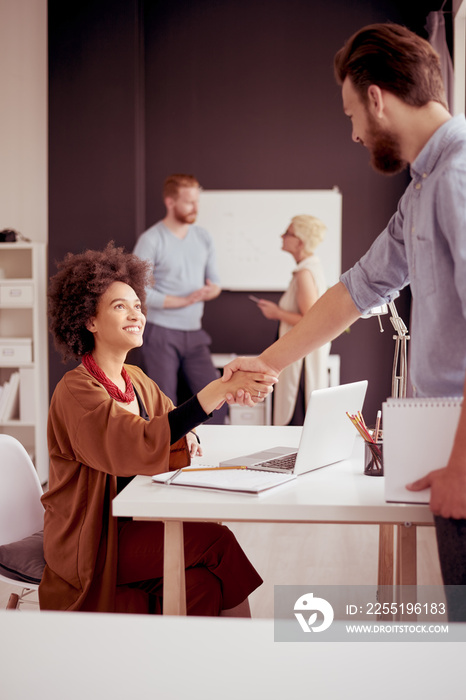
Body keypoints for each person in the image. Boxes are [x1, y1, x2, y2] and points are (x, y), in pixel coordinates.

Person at [222, 23, 466, 617]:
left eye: (351, 113)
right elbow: (354, 291)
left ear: (378, 98)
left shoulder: (458, 176)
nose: (354, 133)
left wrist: (461, 464)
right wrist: (267, 362)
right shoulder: (423, 189)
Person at [39, 242, 273, 615]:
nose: (136, 314)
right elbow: (137, 440)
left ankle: (198, 664)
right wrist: (218, 389)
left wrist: (191, 432)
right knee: (216, 540)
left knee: (202, 584)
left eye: (137, 305)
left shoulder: (135, 378)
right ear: (90, 320)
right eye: (120, 306)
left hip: (134, 522)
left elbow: (173, 422)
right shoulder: (76, 390)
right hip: (96, 540)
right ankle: (249, 652)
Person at [133, 173, 227, 423]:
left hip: (194, 332)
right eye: (188, 202)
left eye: (197, 201)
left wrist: (211, 290)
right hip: (161, 332)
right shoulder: (151, 239)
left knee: (218, 401)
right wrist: (183, 301)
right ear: (170, 202)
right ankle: (166, 458)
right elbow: (138, 291)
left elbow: (215, 282)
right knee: (163, 404)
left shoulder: (204, 237)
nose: (195, 208)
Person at [254, 215, 330, 425]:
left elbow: (310, 319)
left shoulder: (304, 273)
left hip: (300, 363)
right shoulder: (309, 268)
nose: (282, 236)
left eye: (287, 233)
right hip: (301, 357)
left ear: (300, 242)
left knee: (296, 419)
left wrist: (277, 313)